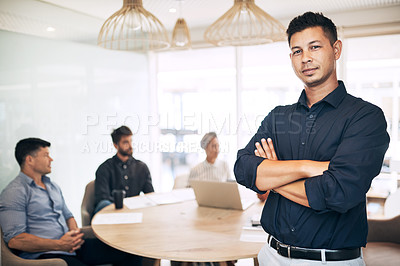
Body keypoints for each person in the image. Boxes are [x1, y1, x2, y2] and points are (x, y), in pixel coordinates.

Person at [234, 12, 390, 266]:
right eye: (297, 51)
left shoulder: (365, 117)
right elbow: (243, 168)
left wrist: (272, 179)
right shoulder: (278, 117)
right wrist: (308, 168)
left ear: (336, 49)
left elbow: (338, 192)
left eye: (314, 47)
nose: (305, 58)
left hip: (331, 262)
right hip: (270, 255)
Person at [0, 138, 142, 265]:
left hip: (71, 247)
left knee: (130, 251)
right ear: (29, 160)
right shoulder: (15, 192)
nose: (51, 159)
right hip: (47, 255)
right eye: (46, 155)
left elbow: (68, 216)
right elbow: (16, 240)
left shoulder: (52, 186)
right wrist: (58, 245)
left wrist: (74, 235)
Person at [94, 125, 154, 213]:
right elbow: (103, 198)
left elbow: (150, 195)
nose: (130, 146)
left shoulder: (142, 167)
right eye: (126, 143)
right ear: (115, 145)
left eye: (131, 141)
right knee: (104, 204)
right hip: (112, 212)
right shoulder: (104, 168)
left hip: (134, 212)